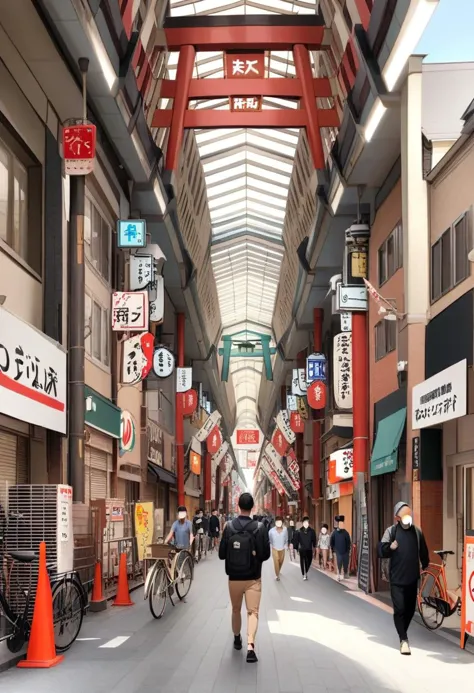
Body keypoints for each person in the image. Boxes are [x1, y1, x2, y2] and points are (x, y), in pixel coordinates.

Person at [219, 492, 270, 663]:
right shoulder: (260, 528)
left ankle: (236, 638)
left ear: (238, 507)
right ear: (253, 507)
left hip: (234, 577)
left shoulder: (229, 527)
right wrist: (254, 555)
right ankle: (250, 647)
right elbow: (265, 555)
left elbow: (221, 555)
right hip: (254, 577)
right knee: (252, 612)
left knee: (235, 609)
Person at [379, 501, 429, 655]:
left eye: (409, 513)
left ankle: (403, 632)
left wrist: (425, 564)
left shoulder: (417, 532)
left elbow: (423, 551)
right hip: (396, 579)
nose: (408, 516)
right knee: (399, 609)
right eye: (404, 514)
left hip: (412, 578)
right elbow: (380, 551)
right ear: (397, 518)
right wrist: (390, 547)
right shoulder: (391, 531)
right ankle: (403, 639)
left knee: (409, 610)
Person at [292, 516, 316, 580]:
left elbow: (314, 540)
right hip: (302, 549)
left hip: (309, 549)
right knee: (302, 561)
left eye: (307, 522)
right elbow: (296, 540)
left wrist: (314, 546)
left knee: (309, 561)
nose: (306, 523)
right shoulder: (299, 531)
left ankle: (306, 571)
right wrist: (296, 548)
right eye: (305, 522)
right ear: (302, 523)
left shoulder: (312, 531)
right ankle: (304, 574)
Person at [330, 515, 351, 581]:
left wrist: (348, 550)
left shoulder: (346, 533)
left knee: (345, 563)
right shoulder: (334, 533)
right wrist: (333, 549)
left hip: (345, 551)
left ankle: (345, 573)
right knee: (338, 562)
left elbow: (348, 542)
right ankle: (338, 575)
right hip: (337, 551)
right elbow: (331, 541)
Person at [269, 516, 288, 581]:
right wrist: (272, 545)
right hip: (274, 548)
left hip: (282, 548)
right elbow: (270, 539)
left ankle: (278, 570)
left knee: (281, 561)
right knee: (276, 561)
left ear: (282, 522)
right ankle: (277, 575)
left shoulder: (285, 529)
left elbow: (286, 538)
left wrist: (286, 545)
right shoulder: (271, 531)